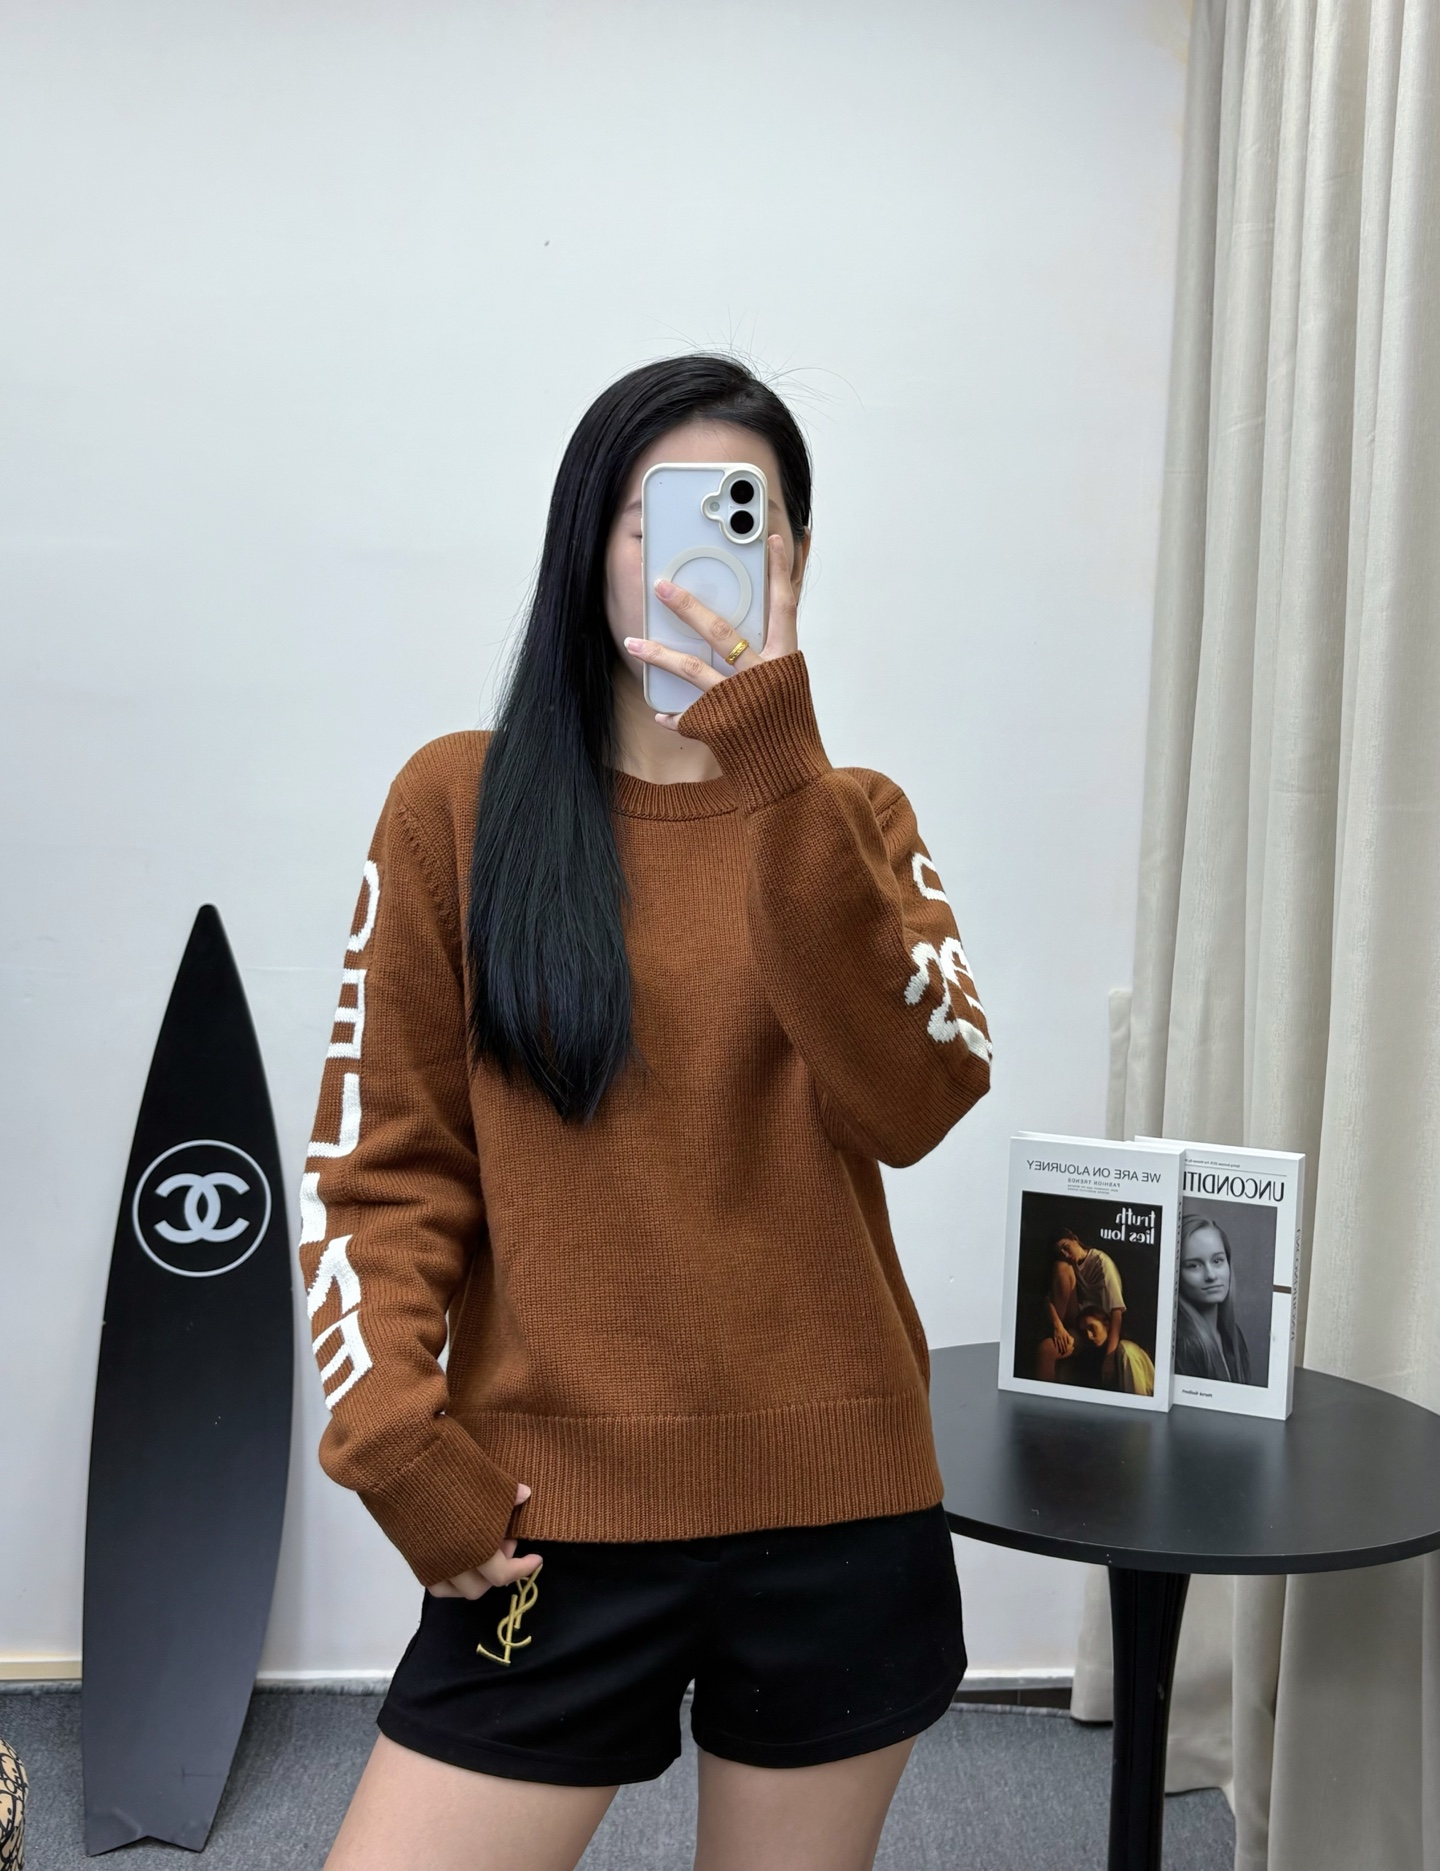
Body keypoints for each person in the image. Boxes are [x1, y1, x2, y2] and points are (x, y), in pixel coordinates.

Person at [300, 355, 993, 1871]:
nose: (702, 550)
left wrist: (778, 764)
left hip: (837, 1509)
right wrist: (398, 1442)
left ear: (794, 559)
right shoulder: (457, 807)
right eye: (655, 513)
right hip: (546, 1518)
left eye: (752, 516)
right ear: (588, 545)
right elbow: (379, 1172)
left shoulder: (855, 817)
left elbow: (917, 1097)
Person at [1035, 1227, 1125, 1383]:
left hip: (1098, 1327)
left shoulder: (1101, 1262)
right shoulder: (1069, 1264)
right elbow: (1047, 1299)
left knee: (1046, 1349)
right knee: (1061, 1267)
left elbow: (1117, 1314)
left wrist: (1109, 1358)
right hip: (1078, 1322)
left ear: (1075, 1239)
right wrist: (1058, 1326)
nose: (1065, 1254)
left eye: (1066, 1247)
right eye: (1061, 1253)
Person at [1174, 1214, 1252, 1384]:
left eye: (1217, 1261)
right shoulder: (1184, 1345)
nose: (1211, 1275)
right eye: (1194, 1265)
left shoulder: (1233, 1335)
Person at [1077, 1306, 1155, 1396]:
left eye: (1092, 1328)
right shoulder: (1094, 1357)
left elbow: (1137, 1397)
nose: (1089, 1336)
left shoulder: (1126, 1351)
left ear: (1106, 1325)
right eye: (1084, 1332)